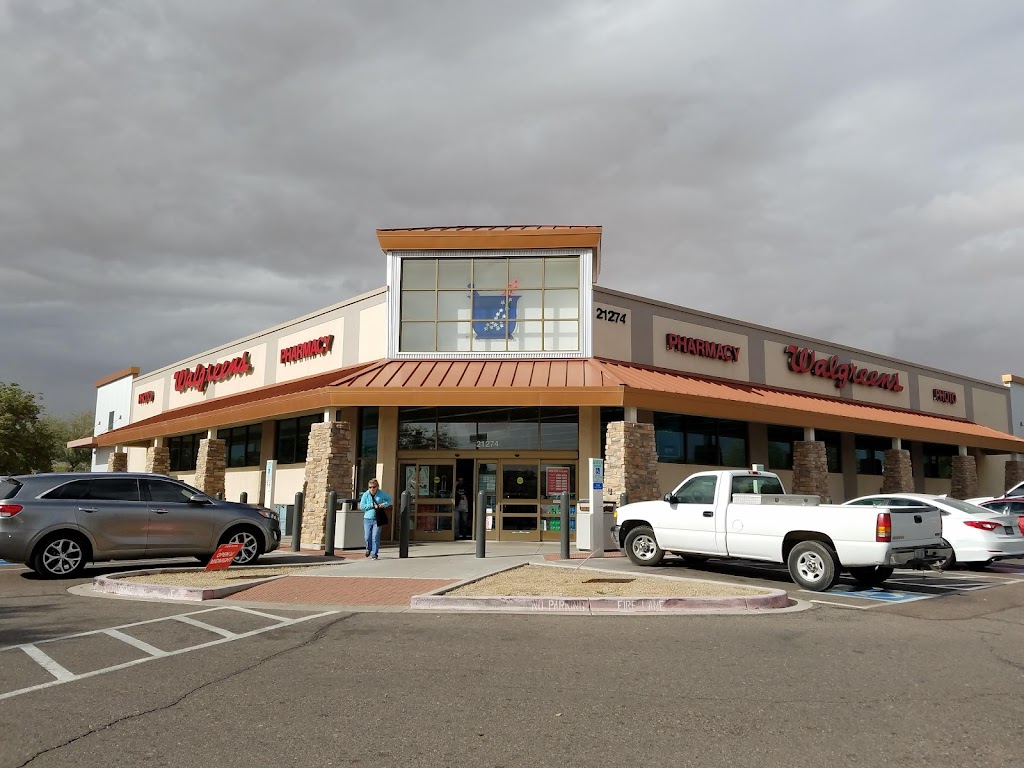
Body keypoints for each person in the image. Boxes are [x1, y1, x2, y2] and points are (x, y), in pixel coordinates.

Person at [359, 478, 392, 560]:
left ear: (377, 487)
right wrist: (371, 505)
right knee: (367, 537)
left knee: (375, 536)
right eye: (370, 487)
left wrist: (383, 505)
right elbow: (362, 506)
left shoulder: (381, 494)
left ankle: (374, 553)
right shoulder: (366, 494)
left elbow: (389, 500)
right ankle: (368, 549)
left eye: (374, 487)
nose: (372, 489)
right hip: (367, 518)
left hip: (377, 518)